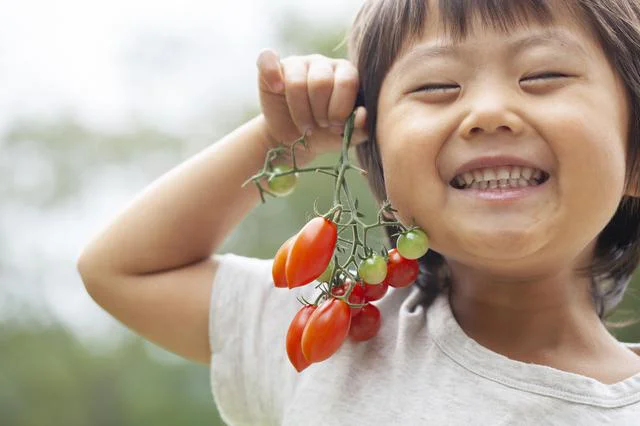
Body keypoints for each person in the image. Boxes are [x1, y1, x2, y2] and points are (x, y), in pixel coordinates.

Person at [76, 0, 640, 423]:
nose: (489, 112)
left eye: (544, 76)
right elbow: (121, 271)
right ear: (379, 163)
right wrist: (281, 137)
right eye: (437, 85)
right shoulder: (333, 337)